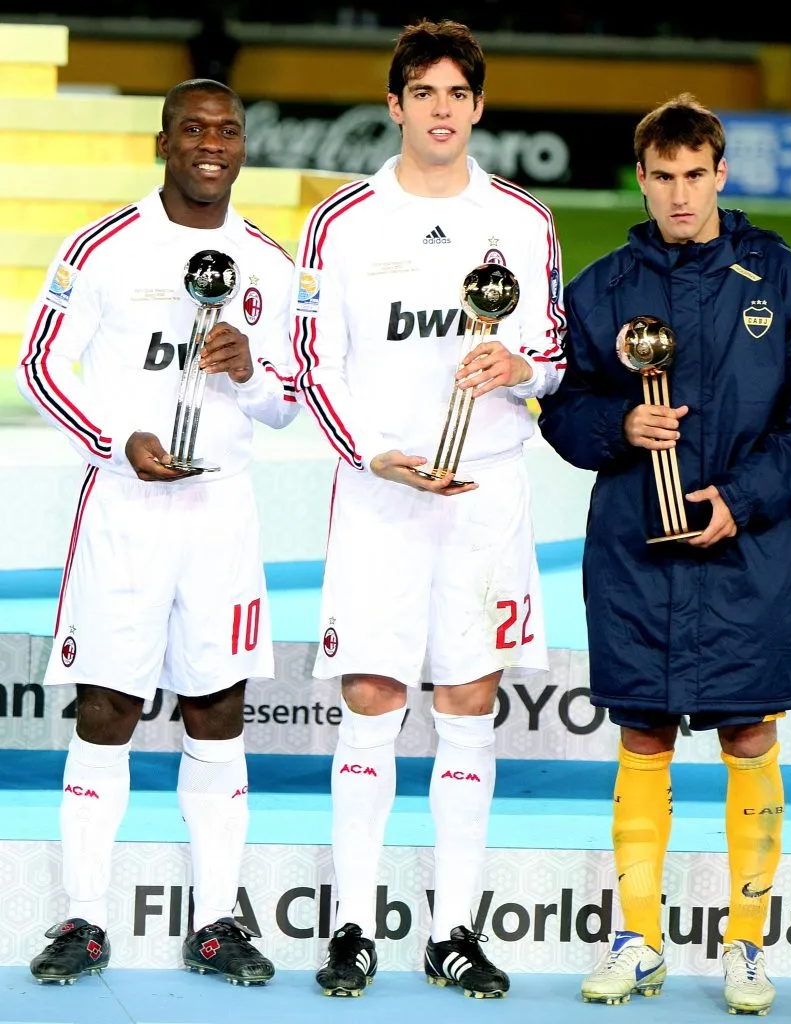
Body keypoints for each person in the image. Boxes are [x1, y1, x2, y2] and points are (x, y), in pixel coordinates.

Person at [537, 93, 791, 1015]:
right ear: (641, 176)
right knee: (642, 736)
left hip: (754, 553)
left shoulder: (787, 285)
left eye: (694, 176)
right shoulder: (598, 290)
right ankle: (638, 941)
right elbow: (561, 410)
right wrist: (619, 422)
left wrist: (741, 502)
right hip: (637, 550)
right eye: (662, 177)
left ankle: (747, 948)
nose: (678, 194)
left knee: (750, 734)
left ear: (720, 174)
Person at [289, 18, 565, 999]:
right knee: (370, 704)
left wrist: (520, 364)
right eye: (425, 92)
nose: (442, 109)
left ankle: (453, 933)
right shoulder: (341, 221)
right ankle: (353, 928)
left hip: (485, 494)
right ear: (396, 103)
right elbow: (311, 367)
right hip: (379, 495)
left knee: (467, 709)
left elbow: (557, 354)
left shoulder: (525, 223)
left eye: (459, 93)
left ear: (478, 106)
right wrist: (376, 453)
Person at [16, 78, 299, 986]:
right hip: (127, 507)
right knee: (108, 707)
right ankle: (84, 920)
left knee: (219, 709)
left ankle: (216, 922)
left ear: (241, 144)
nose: (211, 143)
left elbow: (285, 403)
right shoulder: (104, 246)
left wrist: (250, 371)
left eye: (226, 130)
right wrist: (114, 441)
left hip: (221, 514)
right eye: (193, 129)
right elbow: (39, 363)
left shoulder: (268, 259)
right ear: (163, 141)